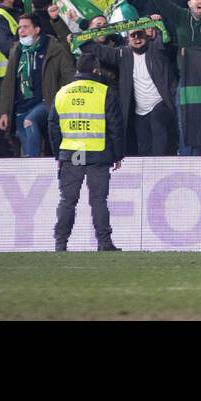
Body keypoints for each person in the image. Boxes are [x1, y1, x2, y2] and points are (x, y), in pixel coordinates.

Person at [50, 52, 126, 252]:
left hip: (73, 153)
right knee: (98, 200)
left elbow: (53, 126)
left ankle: (60, 243)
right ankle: (104, 242)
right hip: (97, 152)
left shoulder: (63, 92)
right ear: (95, 70)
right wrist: (118, 154)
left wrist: (58, 153)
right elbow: (115, 126)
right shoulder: (104, 91)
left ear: (77, 69)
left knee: (68, 200)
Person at [80, 19, 178, 157]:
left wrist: (159, 25)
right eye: (133, 35)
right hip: (139, 111)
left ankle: (159, 164)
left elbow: (166, 41)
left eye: (140, 34)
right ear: (127, 39)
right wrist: (77, 38)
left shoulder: (156, 49)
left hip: (161, 104)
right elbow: (97, 50)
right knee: (144, 147)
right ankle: (148, 176)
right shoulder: (123, 54)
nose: (137, 38)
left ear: (147, 35)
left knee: (158, 130)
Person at [0, 13, 76, 158]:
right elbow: (8, 83)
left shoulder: (54, 49)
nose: (21, 31)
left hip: (46, 102)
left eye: (26, 27)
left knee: (30, 121)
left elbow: (68, 76)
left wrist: (60, 102)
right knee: (27, 153)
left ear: (37, 29)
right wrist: (4, 112)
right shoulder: (17, 50)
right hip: (21, 107)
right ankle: (32, 173)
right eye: (20, 27)